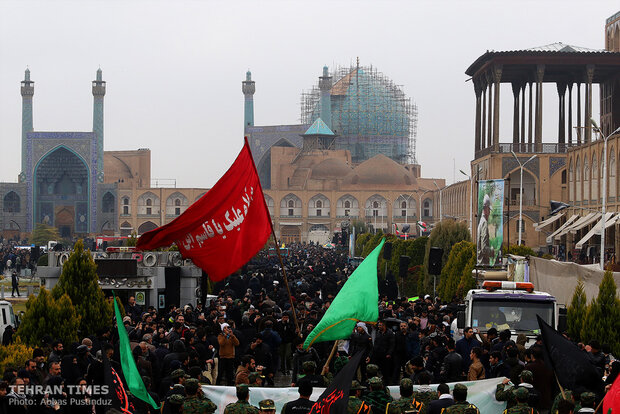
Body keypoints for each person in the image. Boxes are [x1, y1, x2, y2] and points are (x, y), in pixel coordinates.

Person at [477, 194, 494, 265]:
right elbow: (483, 248)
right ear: (485, 209)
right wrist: (492, 251)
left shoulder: (481, 221)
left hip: (481, 262)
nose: (489, 212)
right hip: (483, 263)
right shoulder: (484, 223)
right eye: (489, 209)